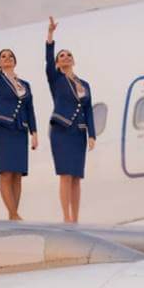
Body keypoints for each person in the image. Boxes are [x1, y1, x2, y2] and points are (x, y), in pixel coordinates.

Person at [0, 15, 38, 220]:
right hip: (3, 129)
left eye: (10, 56)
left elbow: (30, 108)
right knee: (6, 173)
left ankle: (15, 212)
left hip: (20, 130)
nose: (7, 58)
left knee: (17, 174)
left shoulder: (25, 85)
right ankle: (13, 214)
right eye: (3, 56)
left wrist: (34, 132)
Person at [46, 16, 96, 223]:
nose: (65, 58)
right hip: (61, 131)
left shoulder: (84, 84)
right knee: (65, 175)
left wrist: (91, 134)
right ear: (58, 63)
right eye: (62, 56)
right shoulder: (56, 80)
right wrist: (50, 36)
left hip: (78, 132)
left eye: (69, 55)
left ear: (73, 61)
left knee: (76, 177)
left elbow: (88, 109)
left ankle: (75, 216)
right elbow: (48, 60)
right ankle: (66, 216)